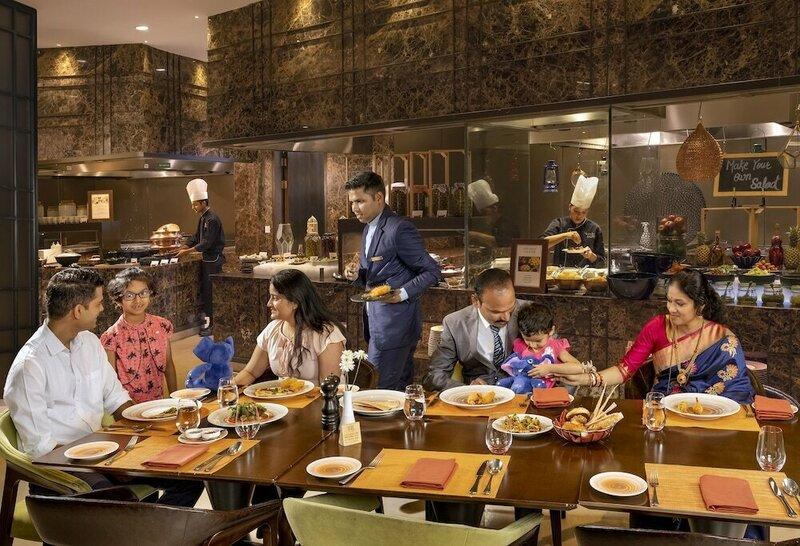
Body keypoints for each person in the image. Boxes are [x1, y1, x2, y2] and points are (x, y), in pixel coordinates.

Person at [4, 267, 202, 506]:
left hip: (102, 451)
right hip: (62, 467)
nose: (102, 309)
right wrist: (98, 456)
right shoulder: (30, 366)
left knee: (189, 478)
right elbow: (40, 448)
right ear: (78, 311)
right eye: (98, 303)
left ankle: (152, 526)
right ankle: (146, 523)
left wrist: (151, 431)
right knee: (121, 499)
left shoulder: (89, 343)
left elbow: (116, 399)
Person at [553, 270, 755, 403]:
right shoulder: (657, 326)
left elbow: (736, 389)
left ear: (700, 306)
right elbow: (624, 369)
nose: (671, 309)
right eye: (669, 301)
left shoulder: (721, 337)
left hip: (713, 415)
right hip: (665, 410)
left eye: (680, 304)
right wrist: (585, 379)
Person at [343, 171, 441, 390]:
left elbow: (432, 271)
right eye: (352, 202)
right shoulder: (368, 227)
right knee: (398, 392)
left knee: (377, 393)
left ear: (379, 198)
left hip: (395, 328)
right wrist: (356, 275)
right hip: (378, 326)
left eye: (360, 201)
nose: (354, 208)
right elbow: (375, 275)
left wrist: (402, 294)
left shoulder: (399, 228)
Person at [235, 269, 346, 387]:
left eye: (275, 298)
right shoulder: (273, 329)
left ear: (295, 302)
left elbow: (329, 390)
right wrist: (228, 388)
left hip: (318, 398)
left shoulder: (326, 335)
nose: (268, 304)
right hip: (281, 397)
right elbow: (250, 372)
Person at [423, 268, 524, 391]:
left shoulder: (532, 311)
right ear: (476, 301)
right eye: (496, 312)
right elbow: (434, 376)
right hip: (476, 397)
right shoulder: (455, 323)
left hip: (522, 394)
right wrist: (467, 389)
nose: (506, 317)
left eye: (511, 308)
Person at [100, 267, 177, 403]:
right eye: (129, 295)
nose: (138, 300)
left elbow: (168, 365)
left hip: (159, 404)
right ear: (118, 299)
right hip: (129, 407)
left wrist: (175, 399)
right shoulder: (112, 336)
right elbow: (111, 381)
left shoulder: (162, 325)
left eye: (143, 293)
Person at [175, 177, 225, 336]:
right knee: (206, 294)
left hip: (214, 261)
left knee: (211, 294)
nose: (193, 207)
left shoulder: (212, 219)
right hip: (207, 261)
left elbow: (207, 243)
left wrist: (188, 251)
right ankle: (208, 325)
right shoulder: (203, 218)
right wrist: (185, 245)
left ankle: (212, 326)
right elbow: (197, 237)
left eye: (195, 204)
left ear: (203, 202)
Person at [541, 174, 605, 267]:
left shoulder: (594, 228)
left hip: (586, 274)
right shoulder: (559, 223)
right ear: (569, 207)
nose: (579, 215)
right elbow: (541, 244)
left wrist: (591, 255)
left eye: (583, 212)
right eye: (576, 211)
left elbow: (602, 261)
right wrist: (566, 235)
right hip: (561, 273)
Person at [511, 303, 580, 388]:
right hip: (524, 389)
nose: (533, 345)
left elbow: (578, 367)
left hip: (548, 391)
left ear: (551, 331)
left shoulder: (555, 346)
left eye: (538, 340)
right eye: (527, 340)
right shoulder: (519, 345)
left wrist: (550, 368)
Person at [467, 178, 520, 247]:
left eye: (484, 212)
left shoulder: (506, 224)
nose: (483, 216)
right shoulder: (494, 225)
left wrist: (476, 235)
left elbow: (504, 242)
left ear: (494, 208)